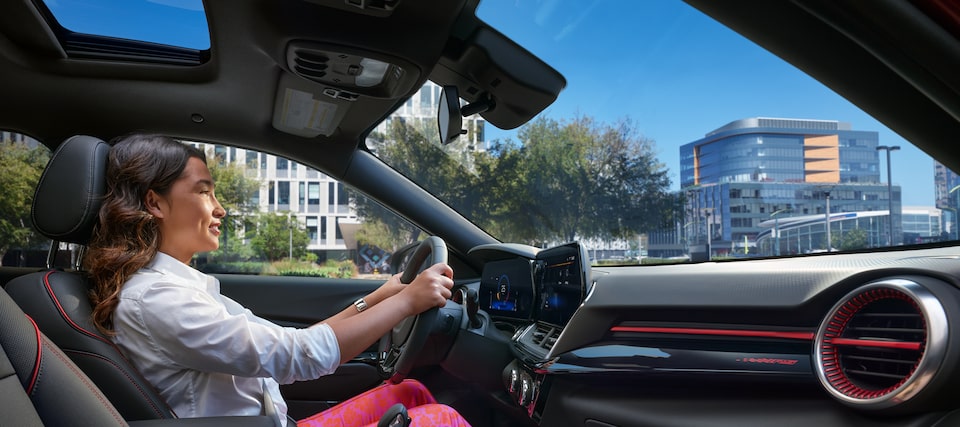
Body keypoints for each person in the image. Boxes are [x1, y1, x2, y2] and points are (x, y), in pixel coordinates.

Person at [85, 134, 471, 427]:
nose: (220, 208)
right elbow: (298, 356)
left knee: (411, 391)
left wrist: (380, 297)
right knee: (441, 419)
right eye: (204, 191)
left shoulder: (180, 287)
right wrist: (407, 303)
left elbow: (291, 343)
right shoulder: (157, 299)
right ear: (155, 203)